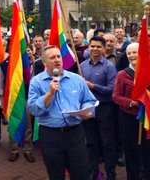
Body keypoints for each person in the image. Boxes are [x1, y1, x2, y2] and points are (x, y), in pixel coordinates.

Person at [28, 45, 97, 180]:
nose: (57, 60)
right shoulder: (36, 82)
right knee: (56, 175)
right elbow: (34, 109)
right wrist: (49, 94)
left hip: (75, 134)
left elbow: (89, 100)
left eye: (59, 56)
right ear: (44, 62)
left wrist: (88, 111)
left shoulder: (76, 79)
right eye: (52, 57)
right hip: (51, 135)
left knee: (81, 173)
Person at [81, 36, 118, 180]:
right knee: (91, 142)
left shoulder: (109, 66)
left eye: (98, 47)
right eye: (92, 46)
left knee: (107, 143)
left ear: (103, 49)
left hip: (104, 108)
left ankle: (111, 173)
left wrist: (93, 86)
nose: (95, 49)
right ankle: (93, 170)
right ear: (88, 47)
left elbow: (112, 89)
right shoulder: (82, 66)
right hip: (88, 109)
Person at [112, 43, 150, 180]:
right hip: (128, 118)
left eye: (135, 52)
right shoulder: (122, 75)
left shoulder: (148, 72)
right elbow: (115, 96)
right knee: (131, 151)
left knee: (147, 150)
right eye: (129, 53)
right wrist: (130, 102)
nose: (132, 55)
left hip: (146, 118)